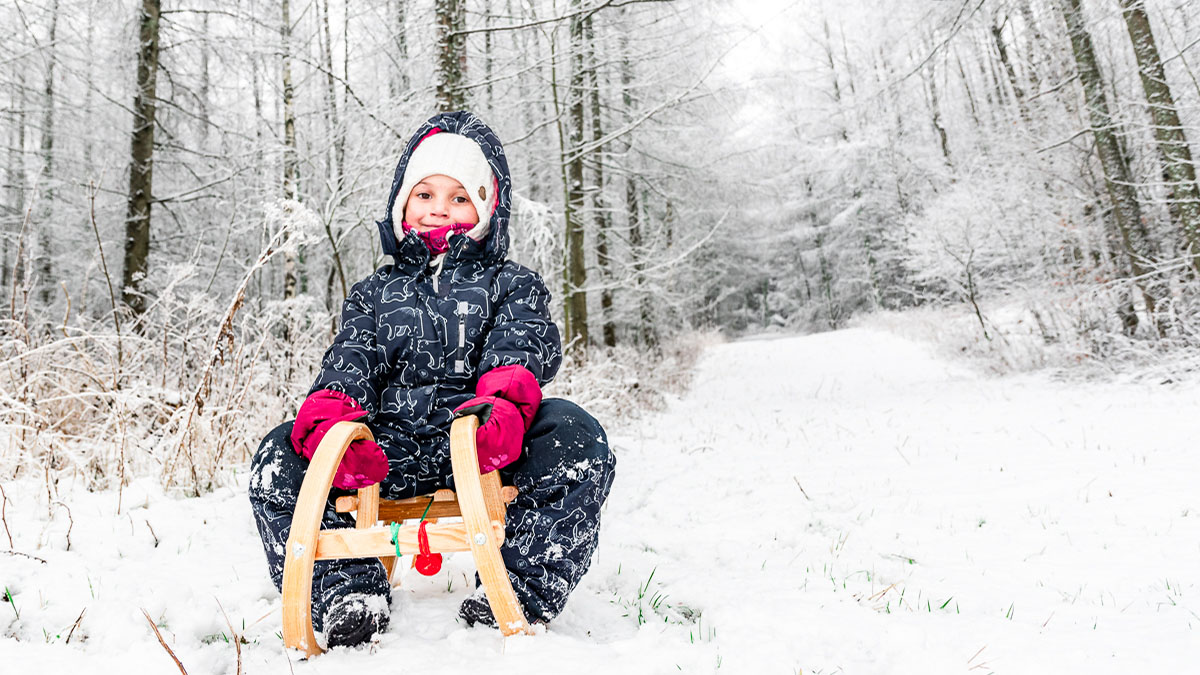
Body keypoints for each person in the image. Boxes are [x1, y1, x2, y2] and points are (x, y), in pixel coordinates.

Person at [247, 111, 616, 649]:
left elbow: (520, 349)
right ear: (402, 205)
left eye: (459, 197)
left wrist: (503, 409)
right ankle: (345, 593)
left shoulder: (511, 284)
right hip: (385, 454)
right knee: (279, 455)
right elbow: (350, 361)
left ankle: (521, 588)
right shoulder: (375, 293)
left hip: (485, 443)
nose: (439, 207)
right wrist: (330, 417)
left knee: (576, 435)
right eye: (424, 193)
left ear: (487, 209)